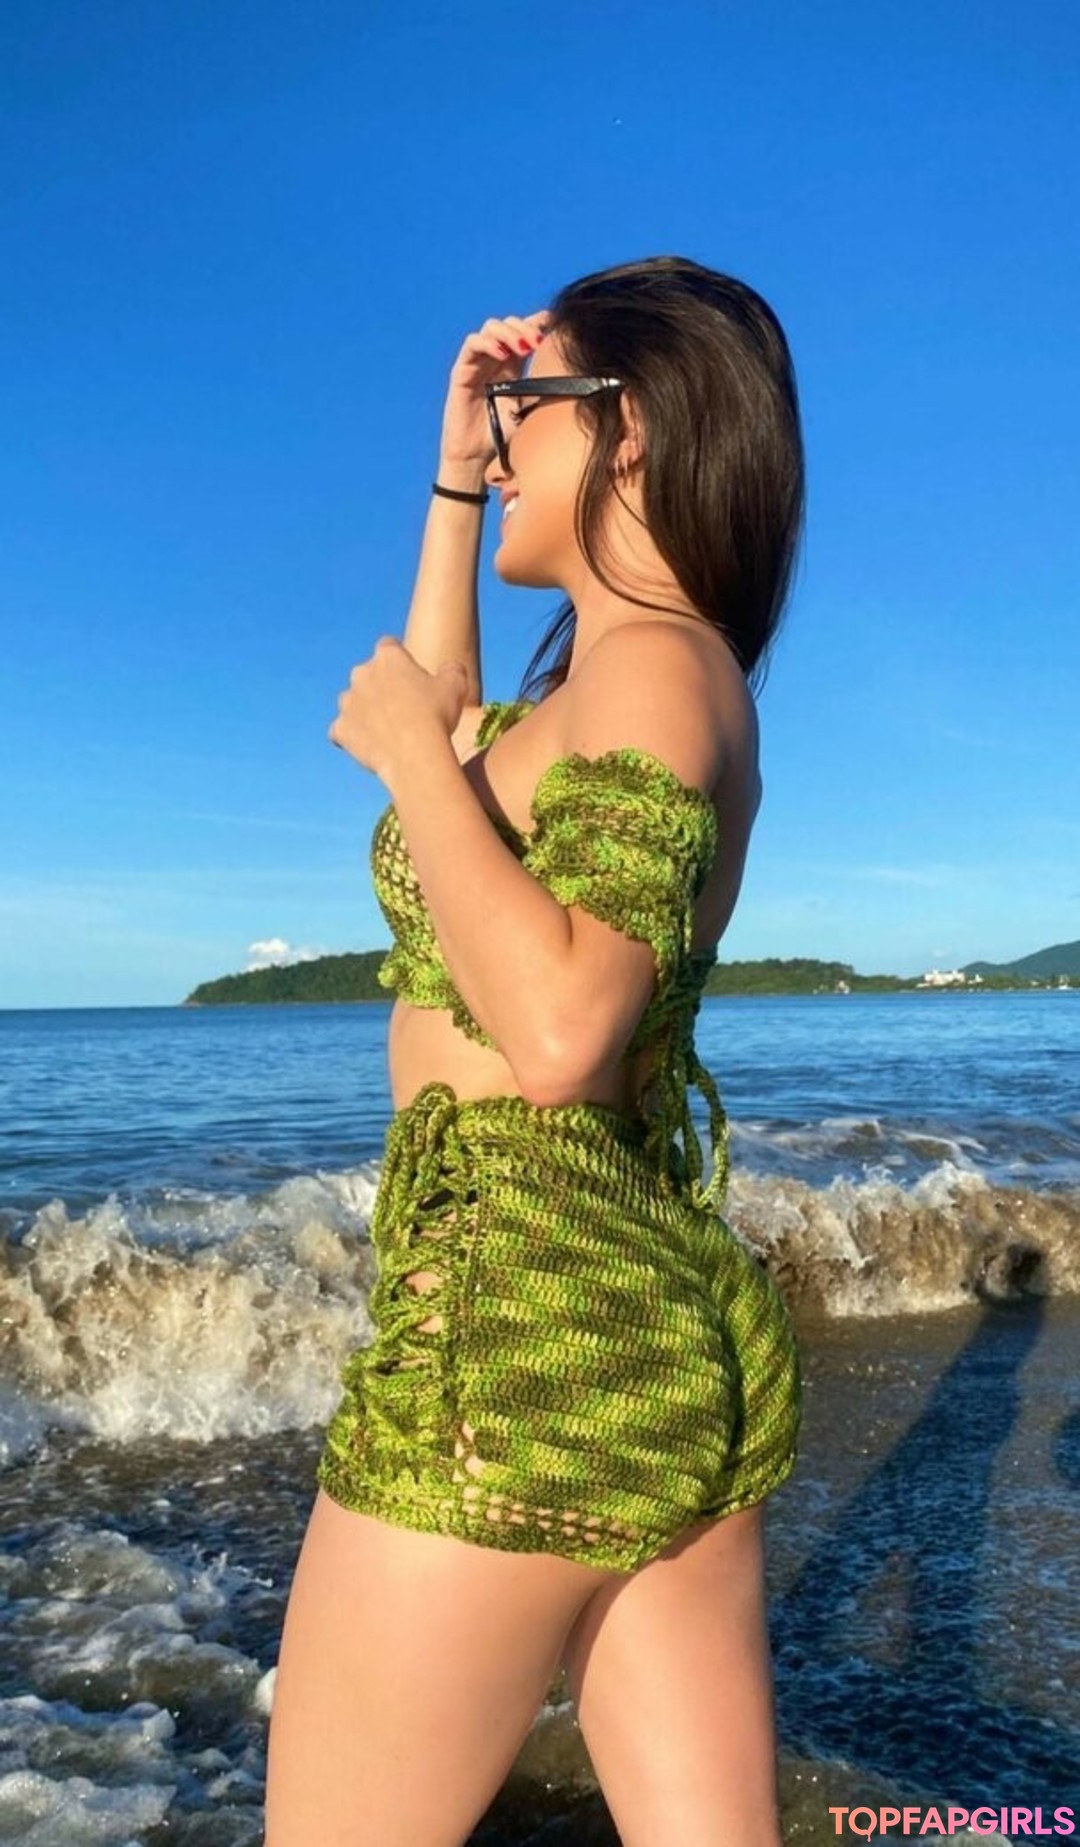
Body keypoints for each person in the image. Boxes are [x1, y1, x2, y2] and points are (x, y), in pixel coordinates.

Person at [264, 255, 806, 1847]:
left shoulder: (654, 663)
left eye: (526, 410)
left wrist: (416, 769)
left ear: (628, 425)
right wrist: (449, 477)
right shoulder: (638, 675)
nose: (503, 447)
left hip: (514, 1341)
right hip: (645, 1336)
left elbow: (564, 1029)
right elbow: (448, 728)